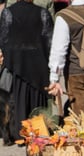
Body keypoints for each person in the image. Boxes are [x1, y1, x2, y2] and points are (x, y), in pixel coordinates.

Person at [0, 0, 53, 144]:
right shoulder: (43, 13)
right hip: (38, 65)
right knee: (38, 102)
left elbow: (3, 39)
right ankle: (39, 132)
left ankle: (20, 134)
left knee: (17, 100)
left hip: (16, 64)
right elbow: (49, 40)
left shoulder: (8, 12)